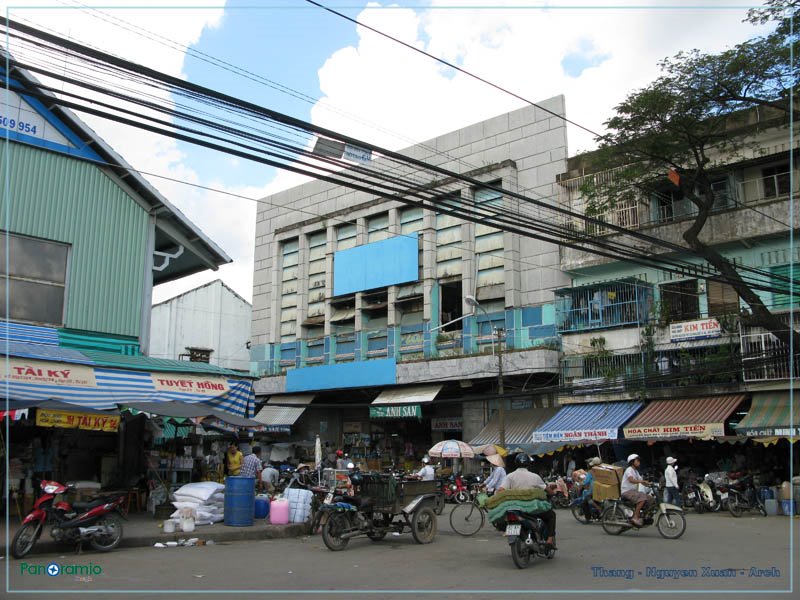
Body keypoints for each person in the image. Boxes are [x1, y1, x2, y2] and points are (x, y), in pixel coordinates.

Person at [498, 454, 557, 548]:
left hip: (515, 508)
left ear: (516, 464)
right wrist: (552, 493)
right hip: (532, 509)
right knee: (551, 515)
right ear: (528, 464)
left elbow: (500, 491)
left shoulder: (510, 476)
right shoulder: (535, 477)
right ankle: (549, 540)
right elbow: (547, 490)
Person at [621, 454, 653, 527]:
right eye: (637, 461)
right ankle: (635, 517)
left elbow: (641, 481)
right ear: (632, 462)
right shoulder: (629, 469)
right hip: (627, 491)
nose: (639, 462)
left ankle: (644, 516)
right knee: (642, 498)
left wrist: (649, 484)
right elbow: (631, 480)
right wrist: (641, 482)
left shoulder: (636, 471)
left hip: (633, 492)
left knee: (650, 499)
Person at [581, 457, 602, 522]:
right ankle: (598, 515)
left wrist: (582, 483)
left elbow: (586, 482)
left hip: (594, 490)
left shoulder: (591, 471)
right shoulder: (602, 469)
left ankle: (588, 518)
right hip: (602, 489)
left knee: (585, 502)